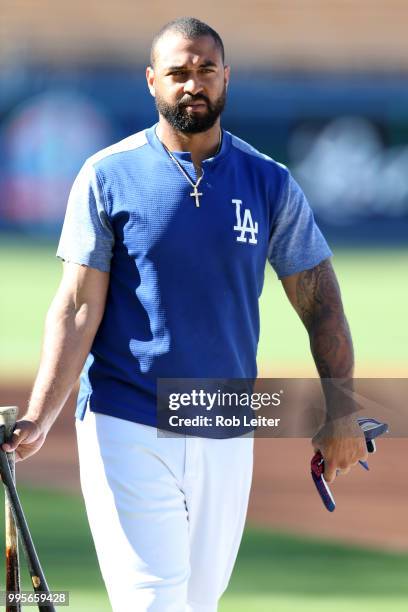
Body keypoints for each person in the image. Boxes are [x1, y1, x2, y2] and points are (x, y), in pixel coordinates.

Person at [3, 17, 367, 612]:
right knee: (153, 602)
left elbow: (320, 299)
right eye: (177, 72)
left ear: (227, 77)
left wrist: (344, 408)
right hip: (127, 416)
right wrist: (42, 416)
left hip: (226, 419)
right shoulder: (106, 175)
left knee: (198, 603)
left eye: (204, 70)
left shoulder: (269, 182)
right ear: (152, 82)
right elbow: (76, 307)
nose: (192, 83)